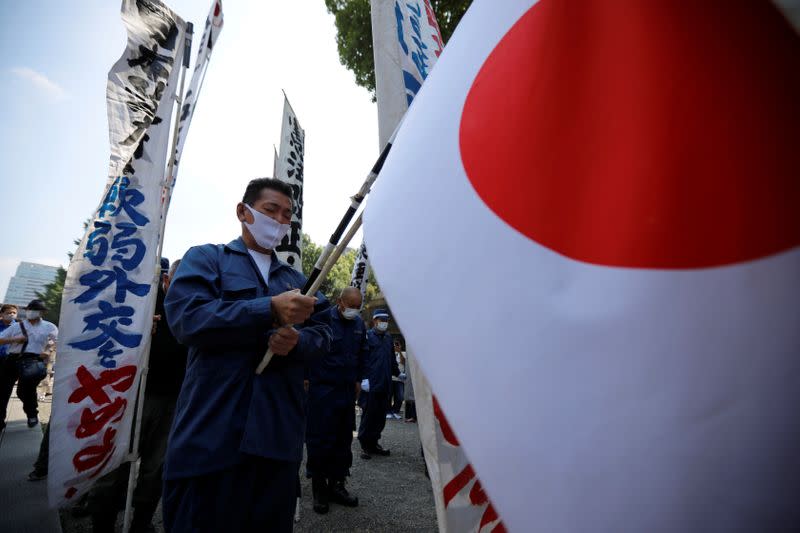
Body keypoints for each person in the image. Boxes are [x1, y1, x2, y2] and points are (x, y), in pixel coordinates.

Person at [162, 177, 331, 533]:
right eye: (271, 210)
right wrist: (267, 309)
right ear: (244, 211)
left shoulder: (297, 281)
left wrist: (297, 343)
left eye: (287, 215)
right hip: (212, 437)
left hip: (277, 442)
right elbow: (187, 320)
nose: (279, 221)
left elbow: (324, 336)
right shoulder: (207, 259)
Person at [88, 258, 189, 533]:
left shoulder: (197, 307)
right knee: (114, 466)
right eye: (183, 281)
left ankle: (141, 524)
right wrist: (137, 327)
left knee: (157, 469)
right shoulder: (142, 301)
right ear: (166, 280)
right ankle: (102, 523)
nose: (188, 289)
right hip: (132, 398)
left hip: (174, 403)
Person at [305, 287, 366, 514]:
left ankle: (337, 485)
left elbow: (362, 354)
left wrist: (359, 379)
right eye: (350, 306)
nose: (353, 311)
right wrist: (305, 378)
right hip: (322, 390)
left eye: (357, 307)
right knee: (320, 439)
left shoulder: (359, 324)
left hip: (346, 392)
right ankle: (319, 488)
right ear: (339, 302)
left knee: (343, 440)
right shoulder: (321, 319)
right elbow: (308, 349)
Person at [0, 299, 57, 428]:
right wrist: (15, 339)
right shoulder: (16, 326)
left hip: (33, 361)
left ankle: (32, 413)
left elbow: (57, 342)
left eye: (35, 310)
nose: (31, 313)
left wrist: (48, 350)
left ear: (41, 313)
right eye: (29, 310)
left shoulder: (49, 327)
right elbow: (1, 339)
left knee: (24, 391)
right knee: (3, 391)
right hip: (12, 360)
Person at [357, 309, 399, 459]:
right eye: (382, 320)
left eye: (386, 320)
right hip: (371, 383)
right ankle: (364, 445)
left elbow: (391, 358)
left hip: (385, 383)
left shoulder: (388, 338)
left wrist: (398, 373)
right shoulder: (367, 336)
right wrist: (363, 378)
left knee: (380, 417)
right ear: (375, 321)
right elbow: (362, 358)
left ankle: (374, 443)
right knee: (369, 416)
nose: (384, 323)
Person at [387, 340, 406, 420]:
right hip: (390, 378)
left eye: (397, 345)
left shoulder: (403, 353)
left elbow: (403, 362)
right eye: (394, 345)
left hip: (399, 379)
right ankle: (388, 412)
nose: (395, 346)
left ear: (400, 346)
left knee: (400, 397)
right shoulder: (389, 353)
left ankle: (395, 411)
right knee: (388, 396)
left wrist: (400, 351)